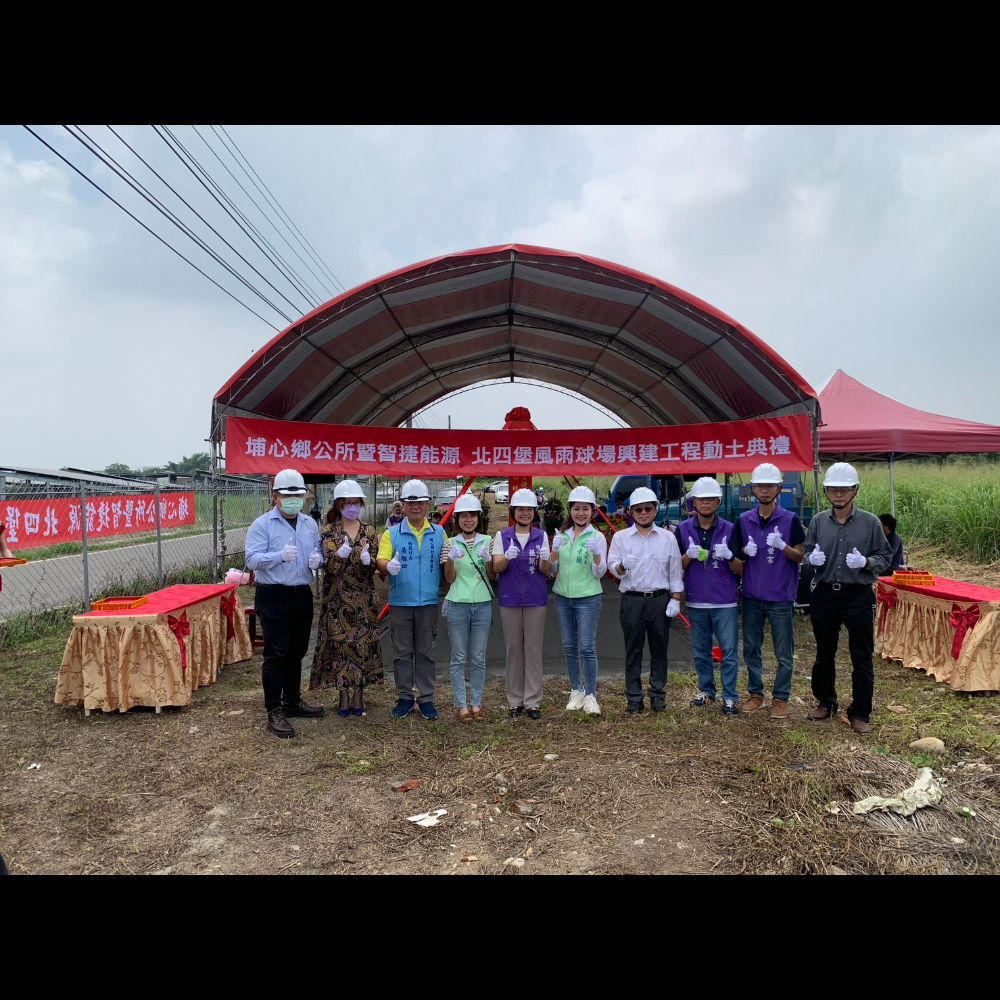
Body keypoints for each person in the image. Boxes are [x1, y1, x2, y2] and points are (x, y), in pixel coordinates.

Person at [804, 463, 892, 735]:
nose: (838, 494)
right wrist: (811, 560)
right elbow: (807, 555)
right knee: (824, 652)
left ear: (855, 490)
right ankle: (826, 702)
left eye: (844, 489)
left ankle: (860, 712)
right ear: (827, 491)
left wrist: (866, 561)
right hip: (826, 592)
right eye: (833, 489)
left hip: (857, 594)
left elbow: (886, 558)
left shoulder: (869, 522)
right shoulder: (818, 521)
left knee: (861, 655)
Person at [245, 468, 325, 738]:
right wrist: (278, 556)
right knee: (276, 653)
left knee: (297, 650)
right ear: (275, 495)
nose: (293, 499)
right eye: (287, 494)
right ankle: (274, 709)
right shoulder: (262, 524)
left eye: (298, 495)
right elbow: (251, 560)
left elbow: (317, 552)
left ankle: (292, 700)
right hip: (273, 594)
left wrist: (318, 561)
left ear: (304, 496)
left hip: (301, 592)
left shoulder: (309, 523)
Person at [732, 463, 805, 719]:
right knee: (751, 647)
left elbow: (800, 556)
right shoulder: (744, 520)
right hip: (752, 595)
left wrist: (782, 546)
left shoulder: (790, 519)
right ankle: (755, 694)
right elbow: (735, 557)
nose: (764, 490)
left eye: (769, 486)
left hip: (781, 597)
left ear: (778, 488)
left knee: (783, 651)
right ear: (752, 488)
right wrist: (743, 552)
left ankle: (780, 698)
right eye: (759, 486)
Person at [309, 480, 383, 717]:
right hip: (337, 600)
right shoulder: (329, 531)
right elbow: (327, 567)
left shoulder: (369, 531)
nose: (352, 506)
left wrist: (368, 562)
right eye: (347, 503)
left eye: (356, 503)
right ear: (339, 505)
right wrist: (338, 557)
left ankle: (360, 692)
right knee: (340, 647)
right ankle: (343, 694)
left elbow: (376, 565)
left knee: (362, 645)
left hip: (364, 600)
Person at [608, 487, 684, 714]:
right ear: (631, 511)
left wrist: (676, 598)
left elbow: (675, 570)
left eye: (648, 509)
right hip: (632, 600)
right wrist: (623, 566)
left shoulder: (668, 537)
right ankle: (634, 697)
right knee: (633, 650)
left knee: (660, 649)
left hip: (660, 600)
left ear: (655, 510)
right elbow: (613, 567)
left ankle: (658, 696)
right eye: (639, 509)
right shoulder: (621, 538)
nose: (643, 513)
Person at [377, 479, 446, 720]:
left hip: (427, 602)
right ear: (402, 506)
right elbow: (381, 561)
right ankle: (405, 696)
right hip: (400, 603)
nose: (415, 506)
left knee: (426, 652)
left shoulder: (439, 533)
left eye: (420, 502)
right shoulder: (392, 533)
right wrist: (388, 566)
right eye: (410, 502)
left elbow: (447, 564)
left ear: (428, 504)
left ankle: (426, 698)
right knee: (402, 653)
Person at [676, 477, 743, 716]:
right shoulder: (683, 530)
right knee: (701, 650)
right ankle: (707, 691)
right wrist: (688, 556)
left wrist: (729, 557)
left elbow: (740, 568)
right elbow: (677, 566)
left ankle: (730, 696)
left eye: (710, 499)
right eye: (701, 499)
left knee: (728, 650)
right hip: (696, 599)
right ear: (693, 502)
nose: (705, 503)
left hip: (724, 600)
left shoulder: (731, 528)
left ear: (718, 502)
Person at [493, 488, 551, 719]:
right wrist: (507, 557)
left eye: (529, 509)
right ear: (513, 511)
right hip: (510, 598)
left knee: (533, 650)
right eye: (521, 509)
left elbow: (545, 572)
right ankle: (514, 700)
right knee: (514, 650)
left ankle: (533, 701)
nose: (525, 513)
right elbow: (496, 568)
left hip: (536, 599)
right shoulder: (502, 536)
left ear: (534, 512)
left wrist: (546, 559)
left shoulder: (541, 536)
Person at [549, 485, 607, 715]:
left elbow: (599, 572)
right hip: (563, 597)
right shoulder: (561, 536)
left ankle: (591, 694)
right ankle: (577, 689)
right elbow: (552, 570)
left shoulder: (597, 537)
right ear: (570, 511)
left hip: (588, 598)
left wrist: (596, 554)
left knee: (586, 646)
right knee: (569, 646)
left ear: (592, 511)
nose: (580, 513)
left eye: (585, 509)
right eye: (576, 508)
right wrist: (553, 550)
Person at [442, 493, 495, 722]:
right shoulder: (449, 544)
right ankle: (461, 705)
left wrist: (488, 560)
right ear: (457, 519)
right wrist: (451, 559)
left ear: (478, 518)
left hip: (482, 604)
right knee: (459, 656)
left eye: (472, 515)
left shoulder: (488, 541)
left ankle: (476, 703)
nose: (468, 520)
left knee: (479, 657)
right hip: (458, 605)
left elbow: (492, 576)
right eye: (463, 516)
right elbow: (449, 578)